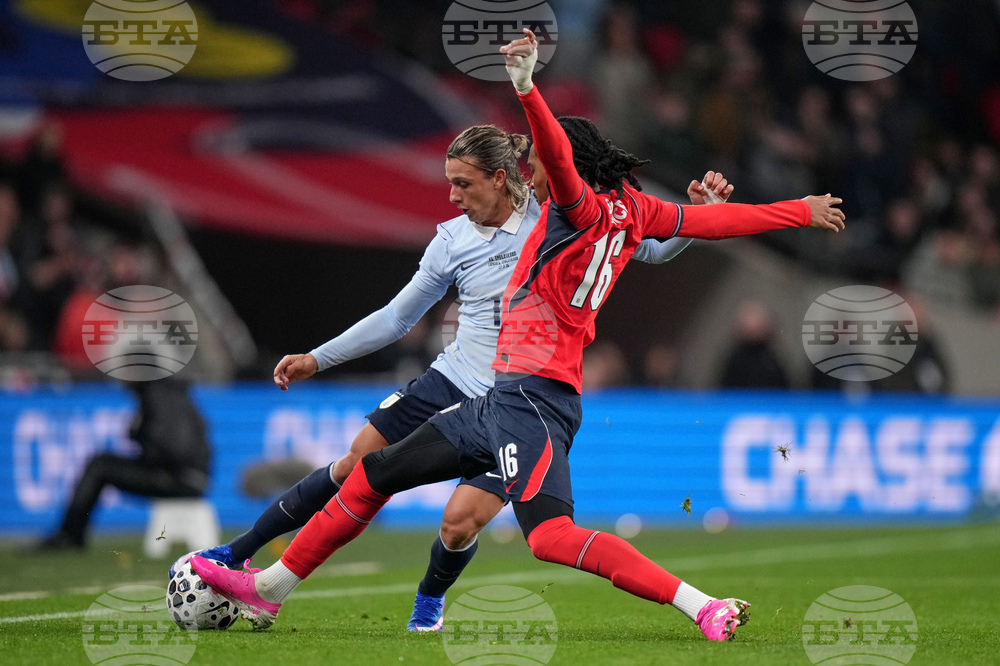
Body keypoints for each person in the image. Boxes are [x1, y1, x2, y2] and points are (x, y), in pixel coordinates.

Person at [190, 29, 845, 641]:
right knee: (371, 475)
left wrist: (527, 87)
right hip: (502, 397)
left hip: (533, 401)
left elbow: (556, 154)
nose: (530, 173)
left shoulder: (576, 208)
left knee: (549, 536)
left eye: (533, 166)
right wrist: (800, 211)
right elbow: (715, 224)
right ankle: (268, 589)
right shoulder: (639, 211)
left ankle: (701, 605)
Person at [177, 122, 710, 631]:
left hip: (513, 402)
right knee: (355, 465)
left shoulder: (558, 218)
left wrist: (699, 216)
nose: (453, 197)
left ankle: (429, 600)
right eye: (449, 183)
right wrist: (318, 358)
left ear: (499, 178)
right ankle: (238, 554)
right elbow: (397, 317)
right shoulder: (452, 240)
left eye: (463, 184)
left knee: (458, 524)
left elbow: (649, 247)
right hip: (449, 381)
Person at [38, 379, 209, 549]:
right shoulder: (169, 393)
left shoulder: (159, 395)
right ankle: (70, 534)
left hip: (179, 479)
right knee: (101, 464)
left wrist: (139, 434)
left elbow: (174, 448)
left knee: (100, 466)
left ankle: (69, 535)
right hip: (188, 477)